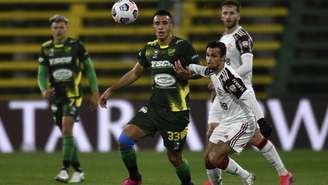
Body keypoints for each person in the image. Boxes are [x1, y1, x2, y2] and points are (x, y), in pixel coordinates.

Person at [99, 10, 199, 185]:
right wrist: (111, 89)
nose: (161, 27)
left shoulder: (183, 46)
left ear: (171, 26)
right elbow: (135, 72)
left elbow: (199, 70)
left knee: (175, 158)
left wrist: (188, 74)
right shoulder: (149, 48)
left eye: (165, 23)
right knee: (125, 140)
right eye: (157, 23)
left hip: (176, 112)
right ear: (153, 27)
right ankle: (135, 178)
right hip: (154, 108)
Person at [205, 1, 293, 185]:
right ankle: (215, 179)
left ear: (238, 15)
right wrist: (217, 85)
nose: (228, 16)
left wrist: (225, 79)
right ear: (221, 16)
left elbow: (248, 66)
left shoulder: (242, 36)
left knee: (255, 137)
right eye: (225, 13)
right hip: (223, 95)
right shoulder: (223, 38)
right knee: (212, 131)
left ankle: (284, 173)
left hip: (240, 93)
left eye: (231, 13)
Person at [177, 40, 259, 184]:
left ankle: (246, 176)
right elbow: (200, 69)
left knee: (215, 157)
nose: (209, 59)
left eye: (214, 56)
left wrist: (262, 121)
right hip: (228, 120)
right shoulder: (212, 70)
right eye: (208, 55)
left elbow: (249, 98)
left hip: (243, 122)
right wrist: (187, 66)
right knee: (207, 160)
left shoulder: (230, 78)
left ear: (222, 58)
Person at [37, 15, 99, 183]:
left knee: (66, 129)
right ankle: (78, 171)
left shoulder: (76, 46)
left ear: (67, 28)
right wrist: (43, 89)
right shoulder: (46, 48)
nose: (58, 30)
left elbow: (90, 70)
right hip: (56, 97)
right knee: (67, 135)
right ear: (51, 29)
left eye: (62, 27)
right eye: (56, 27)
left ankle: (64, 169)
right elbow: (41, 74)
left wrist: (95, 93)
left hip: (73, 95)